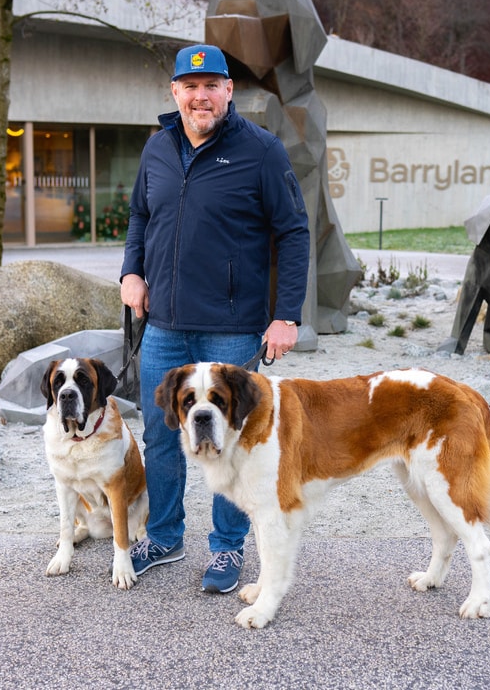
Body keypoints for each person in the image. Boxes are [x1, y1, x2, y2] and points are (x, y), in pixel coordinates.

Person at [120, 43, 311, 593]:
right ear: (174, 92)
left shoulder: (261, 150)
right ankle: (164, 535)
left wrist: (287, 316)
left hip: (232, 326)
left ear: (229, 91)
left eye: (211, 86)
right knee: (161, 433)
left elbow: (294, 232)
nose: (200, 96)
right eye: (190, 86)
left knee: (237, 439)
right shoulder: (158, 148)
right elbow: (139, 216)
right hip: (164, 326)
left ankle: (227, 551)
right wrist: (132, 273)